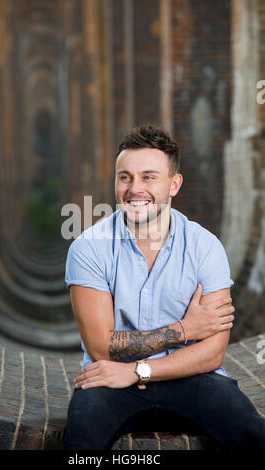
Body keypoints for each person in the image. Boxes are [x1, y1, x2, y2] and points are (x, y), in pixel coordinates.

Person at [62, 125, 265, 450]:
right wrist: (186, 329)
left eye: (148, 177)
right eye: (125, 177)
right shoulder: (89, 248)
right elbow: (102, 348)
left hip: (192, 378)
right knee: (81, 444)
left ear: (174, 184)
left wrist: (138, 370)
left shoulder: (205, 247)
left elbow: (212, 353)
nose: (134, 189)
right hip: (109, 383)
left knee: (252, 435)